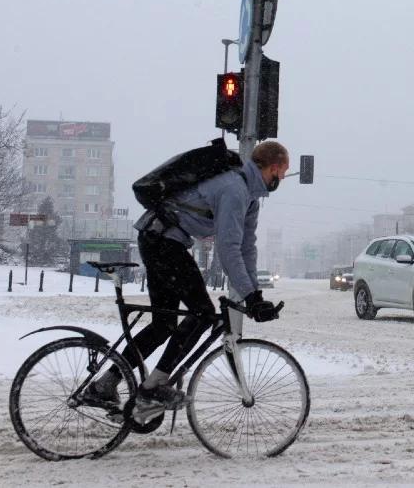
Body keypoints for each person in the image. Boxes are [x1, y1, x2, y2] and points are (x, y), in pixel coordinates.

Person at [82, 141, 288, 418]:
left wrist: (255, 295)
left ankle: (105, 385)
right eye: (283, 173)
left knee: (163, 324)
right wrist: (249, 295)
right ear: (273, 167)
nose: (282, 179)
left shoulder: (249, 198)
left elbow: (245, 248)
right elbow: (228, 249)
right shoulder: (234, 189)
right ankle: (153, 388)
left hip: (161, 239)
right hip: (163, 241)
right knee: (202, 313)